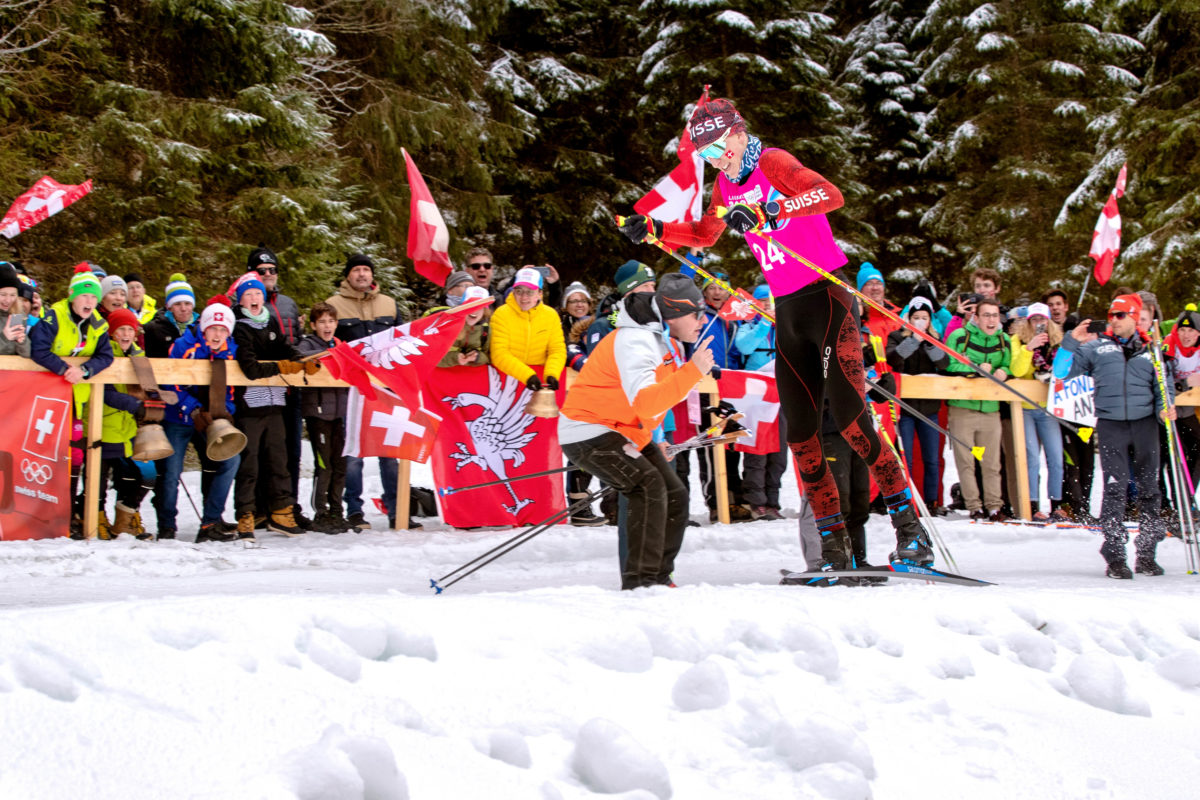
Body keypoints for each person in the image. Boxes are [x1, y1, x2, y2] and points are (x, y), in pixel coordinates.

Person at [618, 97, 930, 579]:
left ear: (739, 133)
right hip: (787, 311)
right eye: (706, 152)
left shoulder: (772, 161)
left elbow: (829, 194)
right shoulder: (725, 181)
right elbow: (705, 233)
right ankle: (833, 546)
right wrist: (658, 229)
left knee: (850, 418)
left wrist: (771, 211)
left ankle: (911, 531)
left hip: (828, 298)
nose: (715, 157)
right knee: (801, 435)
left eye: (719, 146)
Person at [558, 274, 714, 588]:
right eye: (696, 313)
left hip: (622, 431)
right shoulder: (636, 340)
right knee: (647, 486)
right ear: (674, 312)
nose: (702, 319)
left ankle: (658, 576)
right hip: (588, 430)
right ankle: (641, 583)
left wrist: (655, 439)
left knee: (675, 495)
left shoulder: (658, 337)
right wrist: (693, 371)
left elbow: (661, 395)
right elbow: (645, 401)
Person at [1063, 294, 1175, 578]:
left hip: (1145, 423)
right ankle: (1115, 555)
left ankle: (1147, 553)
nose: (1113, 319)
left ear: (1135, 317)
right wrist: (1071, 341)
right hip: (1112, 424)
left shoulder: (1153, 350)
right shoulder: (1098, 348)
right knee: (1115, 487)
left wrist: (1165, 409)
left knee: (1150, 489)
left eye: (1120, 315)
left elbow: (1165, 388)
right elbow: (1062, 372)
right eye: (1111, 314)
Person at [29, 264, 116, 533]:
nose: (89, 302)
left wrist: (85, 371)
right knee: (43, 455)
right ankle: (38, 513)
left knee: (75, 455)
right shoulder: (54, 316)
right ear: (72, 297)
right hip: (44, 399)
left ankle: (67, 516)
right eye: (84, 297)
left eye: (93, 298)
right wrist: (65, 369)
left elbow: (106, 356)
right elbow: (37, 349)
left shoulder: (99, 324)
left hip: (76, 400)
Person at [231, 273, 313, 539]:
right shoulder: (239, 326)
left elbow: (285, 348)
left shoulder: (270, 321)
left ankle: (281, 511)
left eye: (257, 294)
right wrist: (281, 366)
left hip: (275, 403)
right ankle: (246, 513)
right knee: (249, 463)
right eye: (248, 295)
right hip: (249, 406)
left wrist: (299, 360)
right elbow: (250, 367)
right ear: (241, 300)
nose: (254, 299)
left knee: (279, 461)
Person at [157, 295, 242, 542]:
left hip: (210, 418)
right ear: (203, 328)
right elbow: (170, 381)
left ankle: (211, 521)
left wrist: (223, 411)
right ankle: (166, 524)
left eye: (222, 330)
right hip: (179, 416)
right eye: (212, 329)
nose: (217, 335)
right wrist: (191, 408)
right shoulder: (184, 346)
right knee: (171, 471)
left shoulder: (230, 351)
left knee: (230, 460)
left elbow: (232, 389)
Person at [325, 253, 400, 530]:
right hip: (351, 390)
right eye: (356, 270)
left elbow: (403, 343)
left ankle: (396, 509)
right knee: (354, 454)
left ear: (372, 275)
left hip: (385, 389)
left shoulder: (389, 304)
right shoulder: (333, 305)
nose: (361, 275)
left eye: (365, 270)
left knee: (390, 453)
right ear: (348, 275)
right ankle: (354, 511)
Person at [945, 298, 1009, 520]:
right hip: (963, 408)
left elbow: (1008, 364)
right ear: (976, 317)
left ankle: (994, 506)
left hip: (991, 408)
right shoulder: (959, 337)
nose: (991, 320)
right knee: (966, 461)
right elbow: (948, 364)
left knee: (992, 462)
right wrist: (973, 368)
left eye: (995, 315)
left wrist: (1004, 371)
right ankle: (974, 505)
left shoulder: (1004, 340)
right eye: (986, 315)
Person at [97, 307, 155, 540]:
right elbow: (106, 393)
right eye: (120, 329)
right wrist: (137, 406)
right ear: (112, 332)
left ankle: (124, 520)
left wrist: (153, 402)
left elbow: (149, 386)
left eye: (130, 329)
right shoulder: (104, 353)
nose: (125, 334)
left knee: (146, 476)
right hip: (105, 425)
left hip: (130, 428)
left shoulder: (138, 355)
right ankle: (95, 518)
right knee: (98, 479)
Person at [886, 296, 948, 510]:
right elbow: (893, 359)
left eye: (924, 318)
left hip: (929, 408)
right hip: (905, 407)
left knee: (931, 457)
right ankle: (906, 500)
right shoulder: (897, 336)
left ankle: (932, 500)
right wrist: (913, 340)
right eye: (916, 318)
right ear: (909, 319)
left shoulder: (935, 339)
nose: (920, 321)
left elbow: (944, 362)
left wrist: (928, 342)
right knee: (907, 459)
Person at [1009, 302, 1068, 520]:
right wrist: (1028, 349)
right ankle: (1033, 505)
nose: (1038, 324)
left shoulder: (1057, 343)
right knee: (1031, 457)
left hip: (1048, 408)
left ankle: (1057, 503)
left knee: (1055, 456)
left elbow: (1065, 369)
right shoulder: (1018, 341)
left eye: (1042, 320)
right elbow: (1016, 370)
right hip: (1024, 407)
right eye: (1034, 320)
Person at [734, 285, 786, 520]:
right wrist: (765, 322)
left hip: (782, 392)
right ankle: (756, 502)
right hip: (755, 394)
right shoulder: (750, 326)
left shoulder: (786, 325)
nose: (768, 305)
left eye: (772, 301)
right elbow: (743, 346)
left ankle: (773, 500)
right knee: (757, 449)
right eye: (763, 301)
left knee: (779, 450)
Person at [297, 302, 349, 534]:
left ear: (336, 324)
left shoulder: (341, 345)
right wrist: (329, 355)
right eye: (322, 322)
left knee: (340, 463)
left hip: (339, 413)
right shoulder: (308, 343)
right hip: (318, 413)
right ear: (313, 325)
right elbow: (299, 356)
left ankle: (337, 509)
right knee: (324, 463)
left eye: (331, 321)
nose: (327, 326)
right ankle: (321, 510)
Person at [488, 267, 567, 393]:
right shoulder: (501, 314)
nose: (524, 297)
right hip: (506, 382)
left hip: (538, 383)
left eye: (530, 292)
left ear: (539, 293)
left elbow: (557, 350)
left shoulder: (551, 315)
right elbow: (499, 353)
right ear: (513, 292)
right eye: (519, 291)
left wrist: (552, 373)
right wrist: (527, 376)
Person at [1166, 306, 1200, 488]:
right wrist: (1185, 382)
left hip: (1189, 408)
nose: (1186, 335)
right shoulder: (1169, 345)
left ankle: (1191, 493)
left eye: (1191, 331)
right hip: (1170, 406)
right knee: (1176, 453)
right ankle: (1175, 499)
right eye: (1182, 330)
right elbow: (1163, 375)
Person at [434, 285, 493, 368]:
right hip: (441, 376)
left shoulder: (485, 330)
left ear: (485, 311)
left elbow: (489, 358)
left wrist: (478, 357)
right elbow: (428, 356)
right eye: (470, 306)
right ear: (462, 307)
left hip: (468, 378)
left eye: (480, 307)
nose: (475, 311)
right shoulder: (447, 324)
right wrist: (454, 358)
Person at [143, 274, 198, 358]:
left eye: (187, 303)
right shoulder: (154, 329)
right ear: (169, 307)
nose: (183, 308)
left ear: (193, 306)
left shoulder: (201, 328)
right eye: (177, 304)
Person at [856, 262, 902, 343]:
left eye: (878, 283)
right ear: (860, 290)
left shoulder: (896, 316)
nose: (875, 288)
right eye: (869, 284)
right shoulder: (858, 320)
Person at [0, 264, 31, 357]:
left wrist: (22, 342)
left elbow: (27, 354)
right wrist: (4, 337)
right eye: (3, 294)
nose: (8, 300)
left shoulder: (17, 314)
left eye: (12, 295)